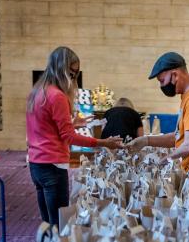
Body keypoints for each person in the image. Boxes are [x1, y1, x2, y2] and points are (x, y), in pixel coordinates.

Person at [26, 46, 122, 231]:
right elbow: (69, 137)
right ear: (60, 69)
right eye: (71, 73)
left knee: (47, 224)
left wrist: (74, 123)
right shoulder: (57, 96)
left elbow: (44, 127)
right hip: (53, 165)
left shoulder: (38, 91)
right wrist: (103, 143)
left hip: (36, 164)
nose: (73, 79)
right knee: (61, 224)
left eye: (76, 74)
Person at [127, 52, 189, 207]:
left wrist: (165, 161)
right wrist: (146, 140)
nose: (162, 86)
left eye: (162, 80)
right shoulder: (188, 95)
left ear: (175, 74)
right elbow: (180, 137)